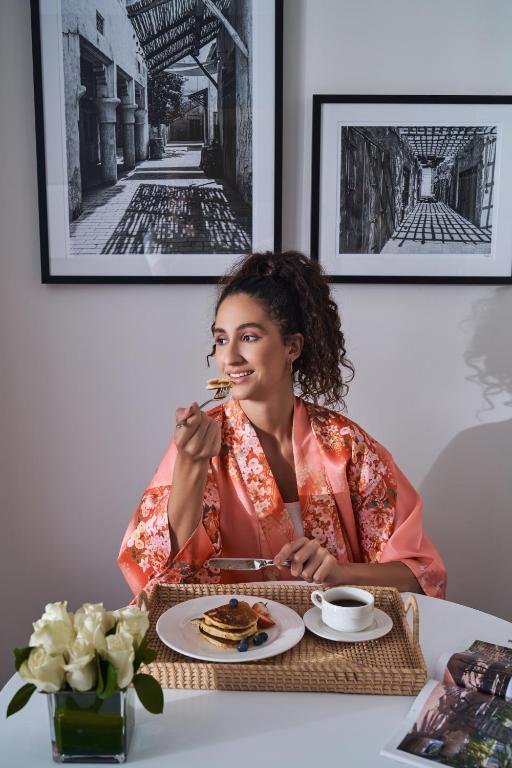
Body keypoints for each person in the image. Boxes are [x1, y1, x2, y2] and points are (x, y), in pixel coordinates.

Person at [118, 252, 446, 599]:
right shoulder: (199, 441)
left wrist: (339, 572)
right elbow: (157, 577)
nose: (229, 357)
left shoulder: (347, 446)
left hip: (329, 630)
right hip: (231, 630)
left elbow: (422, 576)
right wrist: (190, 464)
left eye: (249, 337)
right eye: (221, 339)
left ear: (292, 347)